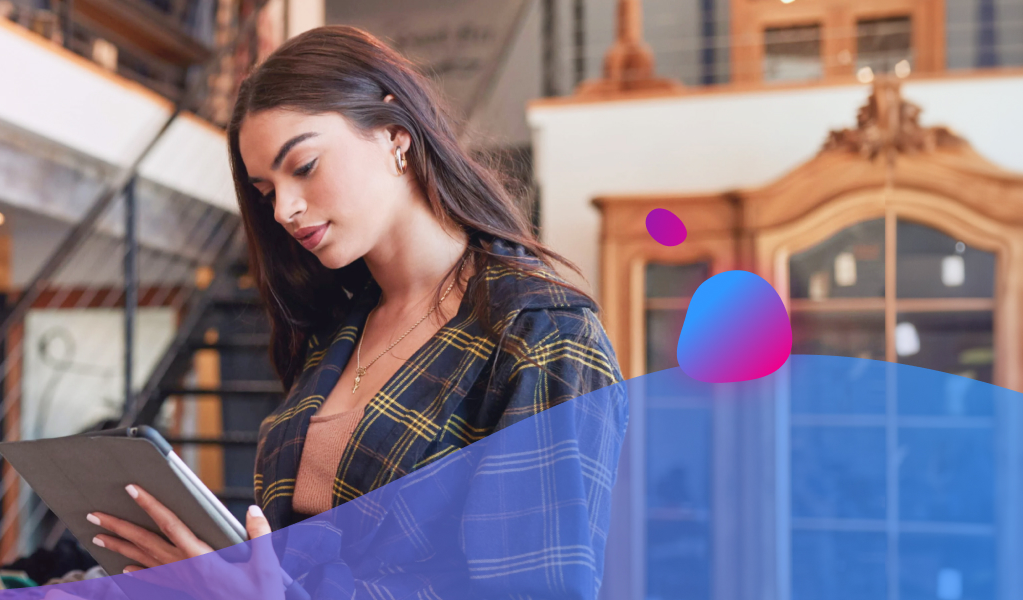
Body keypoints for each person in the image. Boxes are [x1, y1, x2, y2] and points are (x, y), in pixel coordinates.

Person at [83, 25, 627, 598]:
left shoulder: (540, 334)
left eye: (306, 166)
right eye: (267, 191)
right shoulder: (337, 332)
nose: (286, 211)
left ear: (395, 134)